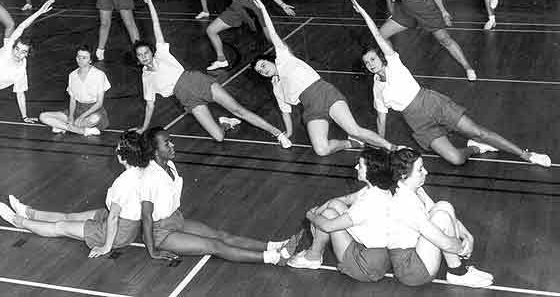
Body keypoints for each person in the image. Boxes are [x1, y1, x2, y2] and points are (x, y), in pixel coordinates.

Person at [352, 0, 550, 167]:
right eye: (366, 62)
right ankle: (474, 149)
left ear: (381, 57)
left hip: (431, 103)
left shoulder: (394, 63)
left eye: (372, 59)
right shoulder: (377, 89)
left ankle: (527, 155)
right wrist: (383, 148)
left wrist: (363, 13)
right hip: (417, 123)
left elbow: (378, 35)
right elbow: (381, 120)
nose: (370, 64)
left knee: (478, 131)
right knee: (455, 158)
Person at [134, 0, 292, 148]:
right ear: (138, 59)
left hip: (196, 81)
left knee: (238, 110)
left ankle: (277, 133)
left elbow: (155, 25)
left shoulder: (161, 53)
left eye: (146, 52)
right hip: (186, 98)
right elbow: (150, 105)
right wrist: (143, 128)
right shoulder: (146, 78)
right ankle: (225, 123)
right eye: (140, 55)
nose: (144, 56)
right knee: (218, 137)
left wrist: (150, 4)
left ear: (151, 51)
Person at [251, 0, 395, 156]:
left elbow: (272, 33)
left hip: (325, 93)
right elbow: (285, 111)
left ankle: (392, 148)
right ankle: (351, 143)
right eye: (259, 71)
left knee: (354, 129)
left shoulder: (284, 59)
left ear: (271, 60)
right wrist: (288, 133)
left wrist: (263, 9)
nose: (263, 70)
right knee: (321, 150)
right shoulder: (277, 87)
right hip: (311, 109)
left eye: (263, 65)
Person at [140, 127, 302, 264]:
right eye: (167, 143)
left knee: (221, 236)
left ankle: (277, 245)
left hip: (176, 219)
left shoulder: (170, 164)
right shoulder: (149, 176)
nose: (172, 144)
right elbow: (146, 217)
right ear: (155, 151)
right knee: (214, 245)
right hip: (161, 232)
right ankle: (274, 258)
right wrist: (152, 250)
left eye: (170, 140)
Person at [0, 131, 151, 257]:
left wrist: (106, 246)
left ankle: (18, 221)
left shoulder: (123, 182)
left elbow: (114, 218)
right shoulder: (143, 173)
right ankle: (28, 212)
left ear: (122, 157)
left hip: (118, 230)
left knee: (60, 227)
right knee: (70, 217)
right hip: (126, 224)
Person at [387, 148, 493, 288]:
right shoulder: (404, 203)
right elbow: (442, 239)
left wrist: (468, 236)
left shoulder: (417, 190)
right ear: (403, 175)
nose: (426, 172)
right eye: (420, 170)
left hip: (419, 252)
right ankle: (457, 272)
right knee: (441, 217)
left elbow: (442, 212)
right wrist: (462, 249)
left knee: (444, 206)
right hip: (411, 270)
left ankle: (458, 268)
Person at [287, 149, 394, 281]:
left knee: (329, 216)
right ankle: (315, 250)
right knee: (333, 207)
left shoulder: (368, 203)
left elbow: (328, 226)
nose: (356, 168)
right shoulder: (379, 190)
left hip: (366, 266)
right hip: (381, 257)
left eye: (360, 166)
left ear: (371, 171)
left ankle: (313, 256)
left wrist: (311, 216)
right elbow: (345, 199)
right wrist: (319, 211)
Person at [39, 45, 110, 136]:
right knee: (43, 116)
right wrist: (71, 117)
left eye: (84, 58)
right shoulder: (72, 75)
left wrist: (82, 117)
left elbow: (99, 103)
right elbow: (72, 100)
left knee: (94, 119)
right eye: (78, 57)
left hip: (93, 111)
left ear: (90, 60)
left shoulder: (99, 75)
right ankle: (83, 131)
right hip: (76, 109)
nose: (80, 60)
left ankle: (62, 127)